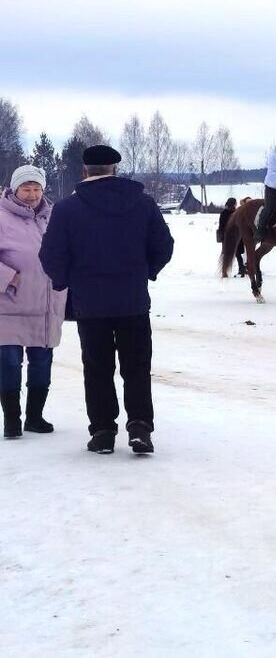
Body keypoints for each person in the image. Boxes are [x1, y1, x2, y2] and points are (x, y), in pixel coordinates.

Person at [39, 145, 174, 455]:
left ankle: (102, 431)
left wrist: (67, 282)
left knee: (97, 367)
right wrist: (144, 272)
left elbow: (51, 255)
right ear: (115, 168)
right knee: (137, 366)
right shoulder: (143, 204)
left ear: (85, 171)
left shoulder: (66, 209)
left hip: (90, 303)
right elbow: (163, 246)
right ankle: (140, 427)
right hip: (133, 300)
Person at [1, 166, 68, 439]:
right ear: (14, 189)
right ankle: (12, 420)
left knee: (42, 362)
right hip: (8, 304)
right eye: (26, 188)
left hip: (46, 305)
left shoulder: (53, 217)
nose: (32, 194)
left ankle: (35, 417)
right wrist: (8, 278)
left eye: (37, 188)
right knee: (8, 362)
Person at [216, 197, 246, 276]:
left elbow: (221, 226)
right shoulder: (235, 213)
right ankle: (240, 269)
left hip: (230, 237)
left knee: (229, 254)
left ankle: (225, 271)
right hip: (233, 237)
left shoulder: (225, 213)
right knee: (236, 254)